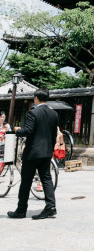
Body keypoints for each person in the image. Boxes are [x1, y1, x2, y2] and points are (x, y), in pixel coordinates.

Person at [7, 88, 58, 220]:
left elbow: (28, 130)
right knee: (46, 178)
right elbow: (53, 135)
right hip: (46, 152)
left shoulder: (33, 113)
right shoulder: (54, 114)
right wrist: (50, 150)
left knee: (26, 181)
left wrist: (18, 130)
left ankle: (21, 210)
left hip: (33, 152)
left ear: (36, 98)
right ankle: (51, 207)